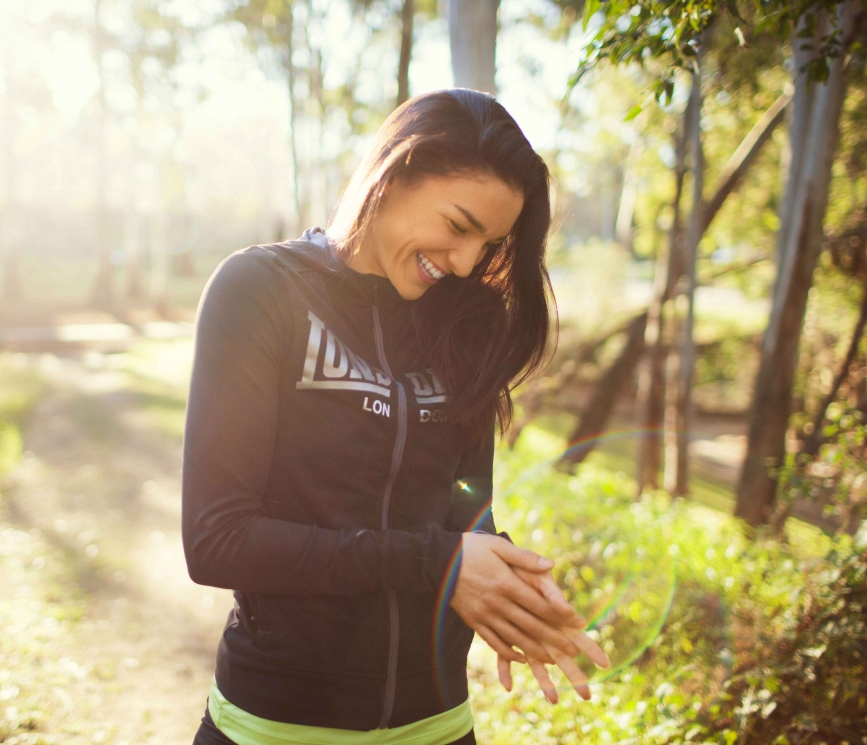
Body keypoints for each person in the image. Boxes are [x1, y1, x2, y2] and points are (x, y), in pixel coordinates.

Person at [181, 88, 610, 745]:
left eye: (489, 242)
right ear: (396, 172)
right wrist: (437, 563)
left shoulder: (467, 320)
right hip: (277, 726)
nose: (467, 261)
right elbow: (218, 539)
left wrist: (506, 587)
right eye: (460, 224)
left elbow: (465, 512)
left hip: (437, 723)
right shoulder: (261, 291)